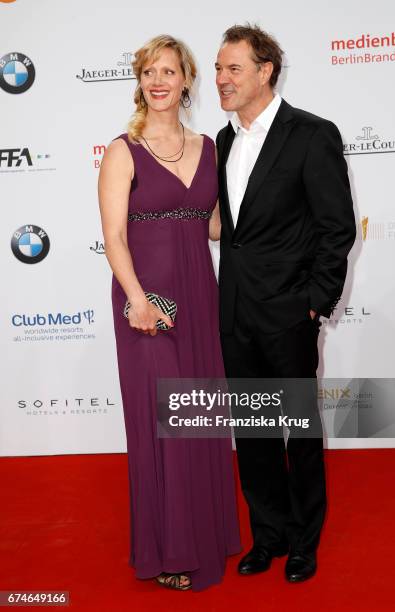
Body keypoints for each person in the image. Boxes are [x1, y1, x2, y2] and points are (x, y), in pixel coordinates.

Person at [98, 34, 241, 592]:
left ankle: (205, 536)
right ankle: (170, 551)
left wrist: (280, 225)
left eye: (169, 71)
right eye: (148, 72)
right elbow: (113, 236)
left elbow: (207, 224)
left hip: (198, 294)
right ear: (140, 82)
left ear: (186, 80)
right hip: (147, 301)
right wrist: (135, 298)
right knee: (165, 427)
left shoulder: (208, 146)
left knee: (198, 420)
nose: (158, 80)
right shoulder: (121, 149)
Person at [215, 24, 356, 582]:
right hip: (236, 313)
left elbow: (336, 228)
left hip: (289, 314)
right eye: (220, 69)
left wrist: (315, 303)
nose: (222, 80)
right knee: (252, 433)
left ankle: (303, 540)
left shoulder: (311, 134)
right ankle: (267, 535)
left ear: (264, 71)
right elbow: (235, 230)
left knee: (298, 431)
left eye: (233, 69)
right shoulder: (223, 140)